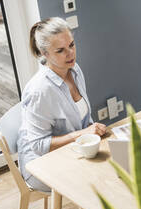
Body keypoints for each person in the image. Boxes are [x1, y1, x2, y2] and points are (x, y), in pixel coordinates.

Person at [17, 17, 106, 192]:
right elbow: (38, 146)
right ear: (45, 53)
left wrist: (93, 130)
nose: (70, 53)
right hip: (39, 166)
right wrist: (83, 134)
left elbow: (83, 117)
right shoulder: (40, 91)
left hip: (71, 149)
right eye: (60, 50)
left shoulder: (74, 69)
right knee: (101, 175)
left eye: (72, 45)